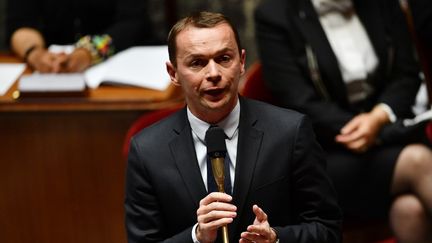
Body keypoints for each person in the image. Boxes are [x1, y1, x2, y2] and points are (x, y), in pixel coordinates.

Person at [125, 11, 342, 243]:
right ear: (173, 72)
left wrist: (277, 239)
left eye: (224, 58)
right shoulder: (147, 151)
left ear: (241, 62)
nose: (214, 74)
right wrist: (196, 237)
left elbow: (327, 230)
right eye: (197, 63)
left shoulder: (291, 132)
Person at [255, 0, 432, 242]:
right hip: (325, 152)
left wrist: (379, 117)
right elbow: (297, 101)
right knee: (419, 160)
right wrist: (365, 129)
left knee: (410, 209)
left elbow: (406, 74)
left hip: (386, 130)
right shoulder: (275, 14)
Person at [6, 0, 157, 73]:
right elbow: (19, 25)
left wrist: (88, 53)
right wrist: (36, 54)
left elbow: (133, 22)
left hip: (122, 60)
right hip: (52, 70)